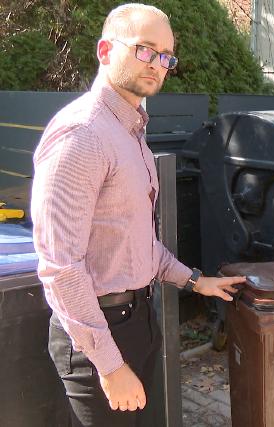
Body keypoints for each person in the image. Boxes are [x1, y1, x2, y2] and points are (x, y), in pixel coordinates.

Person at [30, 4, 245, 426]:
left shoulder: (130, 131)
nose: (158, 64)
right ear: (105, 49)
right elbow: (60, 267)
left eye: (166, 56)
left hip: (137, 320)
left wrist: (195, 281)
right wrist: (110, 367)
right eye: (145, 49)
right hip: (97, 336)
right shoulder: (82, 134)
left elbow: (134, 241)